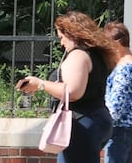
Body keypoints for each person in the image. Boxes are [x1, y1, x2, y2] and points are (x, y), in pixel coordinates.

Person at [16, 11, 121, 163]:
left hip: (82, 122)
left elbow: (73, 92)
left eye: (62, 37)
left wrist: (40, 84)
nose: (61, 43)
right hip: (94, 119)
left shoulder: (78, 55)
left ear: (72, 34)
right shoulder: (95, 54)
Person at [103, 22, 132, 163]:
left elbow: (116, 104)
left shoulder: (124, 68)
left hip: (120, 129)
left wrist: (103, 127)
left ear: (116, 44)